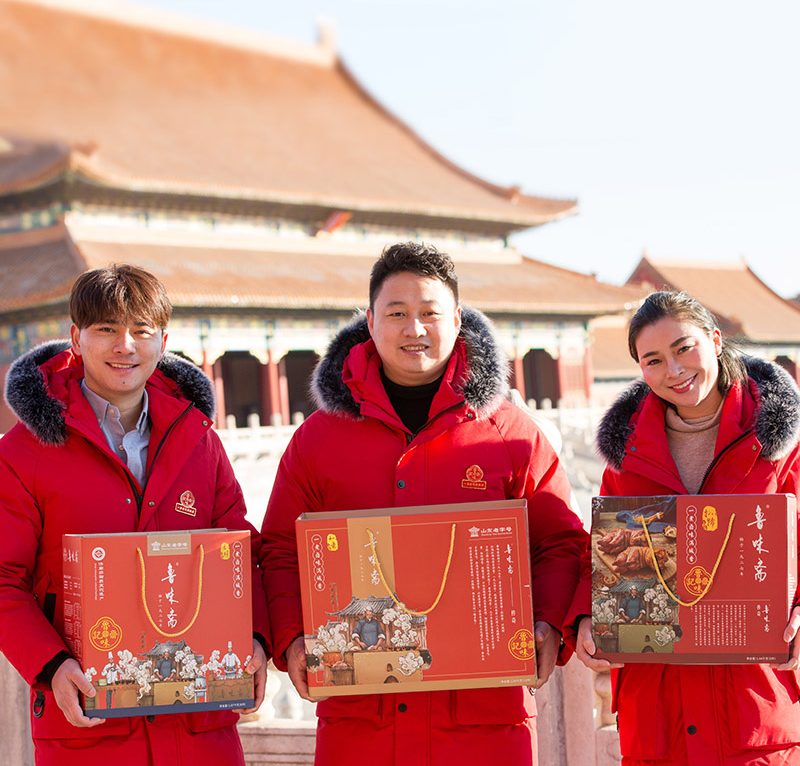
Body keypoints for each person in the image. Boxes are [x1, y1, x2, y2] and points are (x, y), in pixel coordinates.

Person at [260, 241, 587, 765]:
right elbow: (279, 549)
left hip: (484, 723)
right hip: (362, 721)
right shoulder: (319, 440)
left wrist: (548, 623)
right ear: (370, 321)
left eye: (430, 313)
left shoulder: (510, 435)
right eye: (397, 314)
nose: (414, 330)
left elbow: (560, 542)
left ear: (457, 319)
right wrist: (292, 636)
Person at [0, 264, 270, 766]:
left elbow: (240, 547)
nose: (126, 346)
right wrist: (51, 665)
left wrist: (256, 638)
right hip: (88, 722)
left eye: (141, 331)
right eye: (107, 329)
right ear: (76, 339)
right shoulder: (25, 452)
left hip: (199, 727)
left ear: (162, 340)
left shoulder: (198, 439)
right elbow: (2, 579)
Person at [572, 290, 800, 765]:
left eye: (683, 348)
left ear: (715, 340)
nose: (673, 371)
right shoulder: (626, 461)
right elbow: (602, 562)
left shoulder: (779, 446)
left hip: (752, 704)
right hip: (659, 716)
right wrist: (587, 617)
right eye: (653, 360)